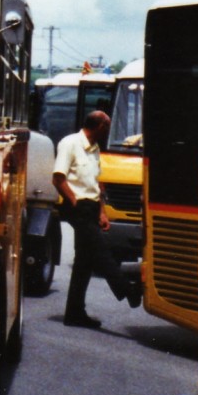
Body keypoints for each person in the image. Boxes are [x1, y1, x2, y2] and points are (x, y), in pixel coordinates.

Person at [53, 110, 142, 329]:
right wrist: (75, 203)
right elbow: (58, 178)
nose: (108, 132)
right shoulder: (70, 143)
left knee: (85, 262)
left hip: (92, 206)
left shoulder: (94, 150)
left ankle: (74, 313)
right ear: (100, 126)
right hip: (78, 207)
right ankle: (127, 291)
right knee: (102, 252)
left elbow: (97, 184)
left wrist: (102, 211)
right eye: (107, 127)